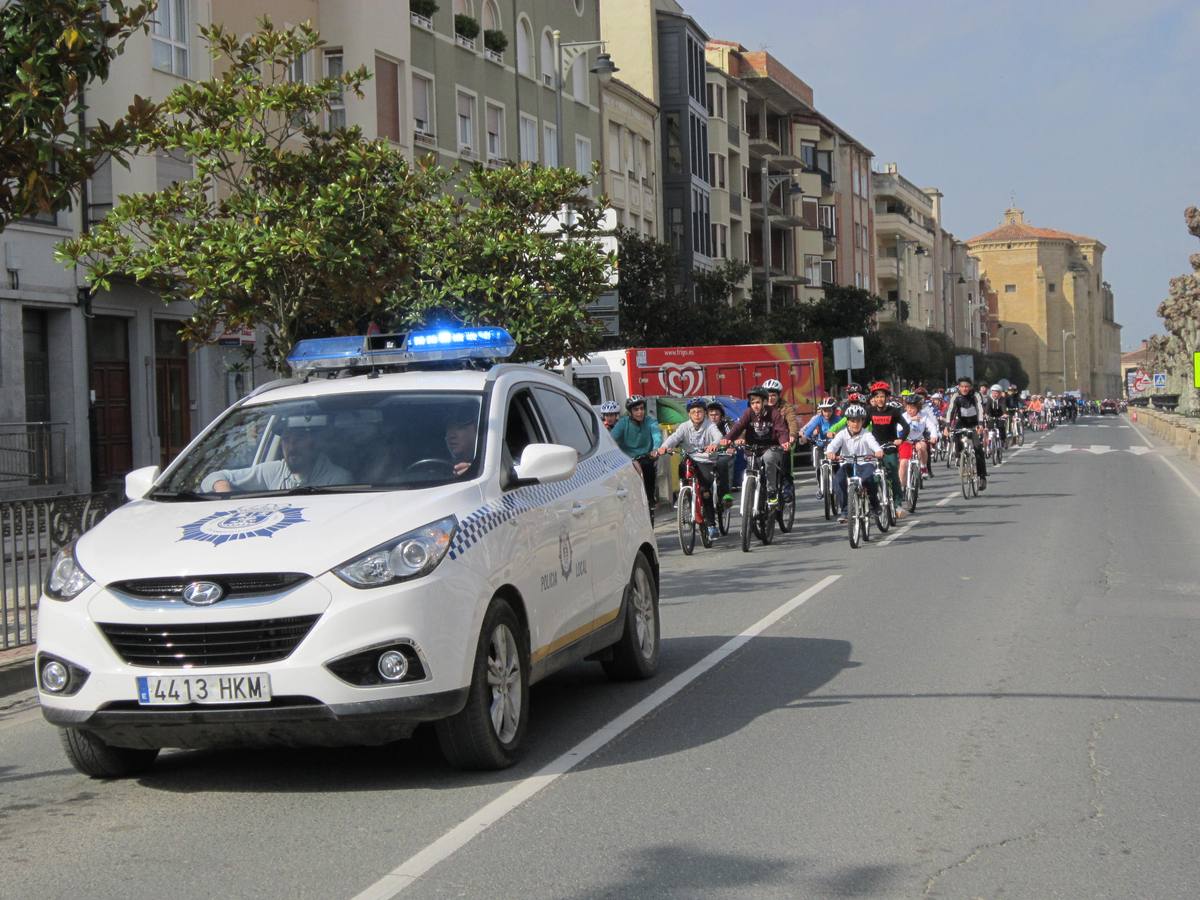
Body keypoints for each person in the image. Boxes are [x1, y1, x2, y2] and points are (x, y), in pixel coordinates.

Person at [202, 415, 351, 493]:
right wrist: (224, 491)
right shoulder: (274, 471)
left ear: (314, 443)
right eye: (286, 439)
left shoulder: (337, 479)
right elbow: (213, 477)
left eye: (299, 439)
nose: (291, 446)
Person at [654, 398, 725, 541]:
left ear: (705, 413)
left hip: (706, 460)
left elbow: (718, 436)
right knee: (683, 466)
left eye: (699, 411)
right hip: (690, 458)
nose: (697, 414)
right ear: (689, 415)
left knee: (705, 492)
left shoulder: (710, 425)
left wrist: (714, 445)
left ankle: (711, 525)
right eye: (693, 412)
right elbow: (674, 437)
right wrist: (664, 447)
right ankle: (686, 493)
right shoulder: (684, 427)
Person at [722, 386, 791, 507]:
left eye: (758, 402)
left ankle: (771, 492)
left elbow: (782, 430)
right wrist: (727, 438)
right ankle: (752, 496)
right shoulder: (748, 413)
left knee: (769, 459)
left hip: (771, 447)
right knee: (751, 466)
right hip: (753, 448)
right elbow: (738, 427)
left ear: (764, 401)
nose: (755, 405)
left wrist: (784, 441)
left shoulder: (773, 413)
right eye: (752, 403)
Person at [825, 403, 884, 525]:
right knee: (838, 480)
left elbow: (874, 445)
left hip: (865, 463)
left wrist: (878, 451)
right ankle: (845, 511)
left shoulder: (866, 434)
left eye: (858, 421)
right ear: (847, 422)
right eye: (852, 421)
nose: (855, 424)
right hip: (847, 463)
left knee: (868, 479)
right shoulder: (842, 434)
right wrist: (830, 452)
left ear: (863, 421)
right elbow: (832, 446)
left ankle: (874, 505)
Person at [611, 395, 662, 521]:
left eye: (641, 408)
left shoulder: (650, 421)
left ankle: (650, 499)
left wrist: (655, 449)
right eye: (636, 410)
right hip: (626, 460)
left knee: (648, 467)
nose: (640, 412)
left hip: (645, 457)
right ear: (630, 412)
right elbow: (611, 439)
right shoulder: (623, 423)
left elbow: (657, 435)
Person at [866, 381, 910, 516]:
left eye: (882, 396)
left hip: (890, 447)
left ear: (887, 397)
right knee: (872, 477)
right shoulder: (870, 411)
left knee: (893, 475)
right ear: (873, 398)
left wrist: (900, 440)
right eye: (877, 396)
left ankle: (897, 505)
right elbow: (862, 429)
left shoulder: (894, 411)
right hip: (875, 448)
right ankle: (874, 504)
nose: (880, 399)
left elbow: (906, 427)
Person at [943, 375, 987, 489]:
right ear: (959, 387)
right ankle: (959, 457)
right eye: (962, 386)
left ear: (971, 387)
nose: (964, 389)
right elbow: (950, 411)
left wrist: (981, 425)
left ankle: (982, 477)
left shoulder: (976, 395)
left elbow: (980, 410)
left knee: (978, 448)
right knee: (956, 438)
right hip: (961, 422)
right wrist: (947, 426)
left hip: (975, 423)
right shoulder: (955, 396)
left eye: (967, 386)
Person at [762, 379, 799, 502]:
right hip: (764, 441)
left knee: (786, 455)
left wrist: (792, 435)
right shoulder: (759, 407)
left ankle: (786, 484)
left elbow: (792, 422)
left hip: (782, 441)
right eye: (768, 395)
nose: (771, 398)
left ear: (778, 396)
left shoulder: (786, 407)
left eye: (774, 395)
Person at [801, 396, 839, 498]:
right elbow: (810, 428)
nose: (826, 413)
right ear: (821, 411)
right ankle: (821, 488)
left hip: (835, 448)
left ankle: (839, 486)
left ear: (833, 410)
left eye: (829, 410)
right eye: (824, 411)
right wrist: (805, 437)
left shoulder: (837, 419)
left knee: (838, 467)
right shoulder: (818, 419)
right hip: (821, 446)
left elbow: (843, 430)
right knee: (818, 467)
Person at [706, 399, 735, 507]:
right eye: (711, 414)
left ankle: (726, 495)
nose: (713, 417)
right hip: (706, 455)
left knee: (724, 463)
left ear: (721, 416)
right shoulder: (703, 426)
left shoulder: (727, 424)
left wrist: (731, 446)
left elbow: (733, 434)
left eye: (716, 414)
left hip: (724, 453)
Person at [900, 393, 932, 492]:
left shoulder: (924, 415)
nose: (909, 410)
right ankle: (902, 486)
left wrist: (934, 436)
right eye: (908, 407)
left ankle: (923, 467)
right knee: (903, 463)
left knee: (922, 446)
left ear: (918, 408)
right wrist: (910, 420)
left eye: (912, 408)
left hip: (918, 439)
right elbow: (899, 428)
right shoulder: (903, 416)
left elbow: (931, 426)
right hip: (906, 441)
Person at [445, 405, 481, 476]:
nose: (451, 435)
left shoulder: (489, 466)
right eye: (449, 428)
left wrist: (473, 472)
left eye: (460, 428)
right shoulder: (436, 469)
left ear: (476, 430)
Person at [984, 384, 1008, 450]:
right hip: (991, 416)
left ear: (1000, 393)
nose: (995, 395)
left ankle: (1003, 440)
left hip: (1000, 416)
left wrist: (1005, 414)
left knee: (1001, 427)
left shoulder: (1002, 399)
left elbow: (1003, 407)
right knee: (989, 428)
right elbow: (987, 408)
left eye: (997, 393)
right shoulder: (989, 399)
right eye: (994, 393)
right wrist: (986, 414)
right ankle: (987, 445)